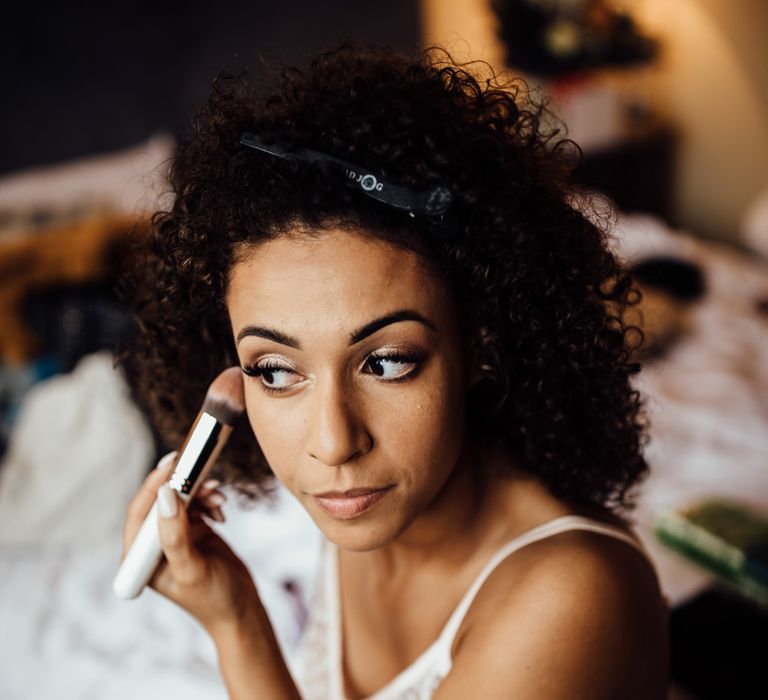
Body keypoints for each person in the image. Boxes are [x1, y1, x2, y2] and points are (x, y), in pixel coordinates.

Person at [120, 42, 669, 699]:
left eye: (384, 362)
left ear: (481, 346)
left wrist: (238, 628)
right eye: (274, 371)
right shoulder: (375, 498)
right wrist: (228, 607)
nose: (332, 442)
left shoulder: (572, 598)